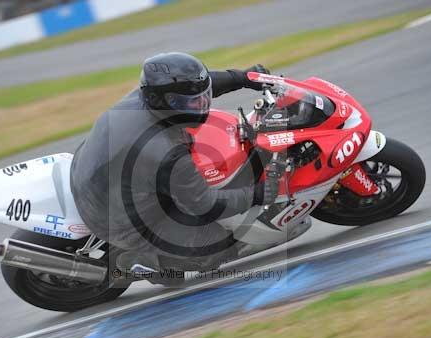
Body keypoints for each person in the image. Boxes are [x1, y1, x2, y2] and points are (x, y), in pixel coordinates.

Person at [70, 52, 279, 284]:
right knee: (217, 246)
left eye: (204, 97)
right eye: (192, 102)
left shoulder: (146, 96)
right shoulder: (164, 150)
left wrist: (243, 77)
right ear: (162, 100)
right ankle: (146, 264)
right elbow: (205, 204)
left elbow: (198, 85)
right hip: (112, 216)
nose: (202, 105)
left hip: (90, 171)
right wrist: (257, 194)